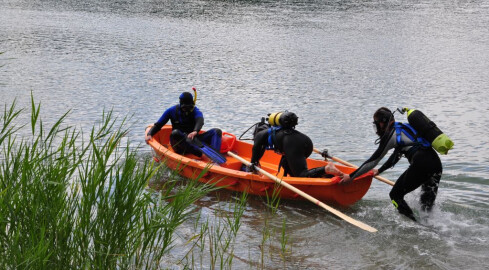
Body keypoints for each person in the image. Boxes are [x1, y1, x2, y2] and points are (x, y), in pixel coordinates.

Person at [340, 107, 443, 221]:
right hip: (436, 164)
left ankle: (415, 226)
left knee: (395, 195)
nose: (377, 128)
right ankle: (433, 227)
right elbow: (396, 155)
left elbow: (373, 160)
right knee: (426, 207)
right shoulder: (402, 128)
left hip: (421, 164)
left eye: (377, 124)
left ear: (383, 122)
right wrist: (379, 171)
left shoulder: (391, 134)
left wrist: (351, 177)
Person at [249, 111, 342, 178]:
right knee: (287, 165)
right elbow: (260, 150)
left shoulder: (259, 135)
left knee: (301, 174)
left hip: (292, 145)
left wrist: (253, 163)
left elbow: (256, 149)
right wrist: (256, 162)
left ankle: (326, 169)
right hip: (306, 142)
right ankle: (326, 176)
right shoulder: (277, 130)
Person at [145, 91, 222, 158]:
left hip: (193, 139)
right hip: (179, 144)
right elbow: (159, 125)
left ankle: (214, 157)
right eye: (185, 108)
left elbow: (200, 120)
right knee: (175, 133)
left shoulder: (195, 110)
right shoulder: (171, 111)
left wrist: (195, 131)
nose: (187, 110)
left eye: (189, 107)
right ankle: (198, 153)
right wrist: (150, 134)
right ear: (181, 105)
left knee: (217, 131)